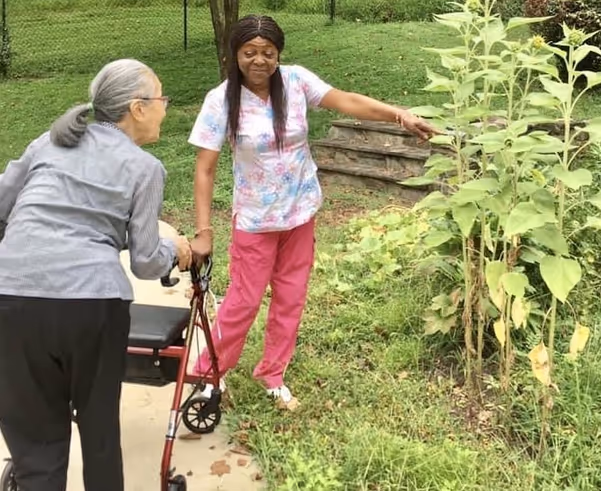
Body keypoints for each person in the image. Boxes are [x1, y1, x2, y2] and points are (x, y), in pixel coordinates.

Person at [188, 14, 439, 410]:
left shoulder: (297, 81)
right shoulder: (221, 100)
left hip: (300, 214)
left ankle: (272, 374)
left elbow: (347, 101)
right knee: (243, 302)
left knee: (291, 297)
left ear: (279, 54)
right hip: (255, 221)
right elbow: (204, 169)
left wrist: (399, 114)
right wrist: (203, 229)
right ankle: (208, 374)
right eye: (249, 53)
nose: (259, 61)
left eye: (268, 53)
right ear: (235, 55)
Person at [0, 59, 192, 491]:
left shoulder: (45, 145)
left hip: (9, 298)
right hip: (92, 305)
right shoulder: (145, 168)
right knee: (99, 430)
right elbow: (146, 261)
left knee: (36, 448)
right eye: (162, 98)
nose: (166, 107)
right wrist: (175, 250)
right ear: (138, 107)